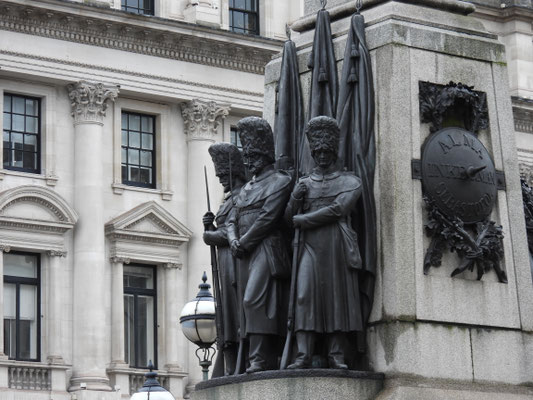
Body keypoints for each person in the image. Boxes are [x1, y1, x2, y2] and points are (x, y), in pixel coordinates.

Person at [285, 116, 363, 369]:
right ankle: (303, 354)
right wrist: (295, 200)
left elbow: (338, 209)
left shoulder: (350, 181)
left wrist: (303, 219)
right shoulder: (304, 183)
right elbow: (288, 219)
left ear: (334, 152)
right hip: (308, 245)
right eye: (317, 152)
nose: (321, 156)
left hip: (336, 243)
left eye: (326, 152)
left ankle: (336, 354)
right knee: (304, 295)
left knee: (336, 298)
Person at [227, 116, 292, 373]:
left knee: (256, 300)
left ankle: (261, 358)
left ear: (265, 154)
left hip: (266, 247)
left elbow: (268, 217)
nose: (248, 160)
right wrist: (233, 239)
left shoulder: (280, 181)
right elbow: (232, 217)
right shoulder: (246, 188)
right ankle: (254, 357)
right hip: (243, 250)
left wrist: (243, 241)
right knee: (245, 303)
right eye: (247, 155)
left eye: (253, 155)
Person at [202, 142, 246, 376]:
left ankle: (237, 357)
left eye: (223, 175)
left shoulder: (243, 197)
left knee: (234, 309)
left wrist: (211, 234)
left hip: (235, 262)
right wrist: (210, 227)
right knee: (226, 311)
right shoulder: (229, 200)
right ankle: (229, 360)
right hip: (225, 262)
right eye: (218, 177)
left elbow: (233, 230)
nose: (221, 180)